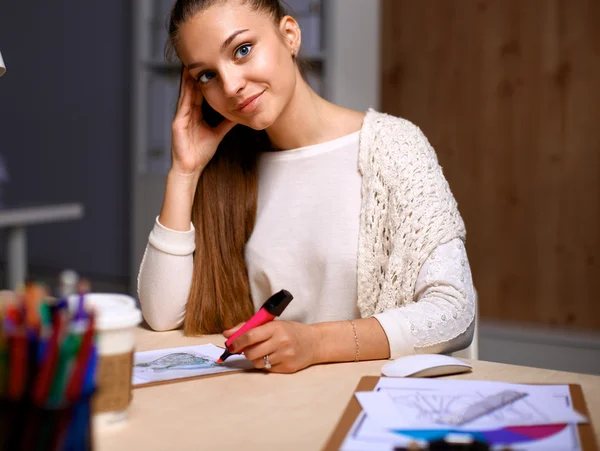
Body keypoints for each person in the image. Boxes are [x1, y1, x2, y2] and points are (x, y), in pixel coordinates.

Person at [138, 0, 476, 374]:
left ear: (290, 35)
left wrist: (315, 343)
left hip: (362, 403)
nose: (231, 86)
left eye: (243, 50)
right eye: (206, 76)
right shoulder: (222, 169)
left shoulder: (393, 146)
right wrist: (184, 173)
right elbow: (162, 315)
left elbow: (453, 312)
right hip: (262, 407)